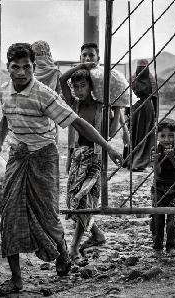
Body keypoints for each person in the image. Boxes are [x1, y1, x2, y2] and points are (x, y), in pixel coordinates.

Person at [0, 43, 122, 295]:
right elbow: (6, 116)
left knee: (48, 215)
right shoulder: (4, 91)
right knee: (10, 215)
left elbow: (78, 122)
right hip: (18, 158)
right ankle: (16, 280)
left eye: (26, 67)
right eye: (15, 67)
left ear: (34, 67)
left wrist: (108, 147)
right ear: (8, 68)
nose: (21, 72)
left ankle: (63, 252)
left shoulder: (44, 94)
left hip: (44, 158)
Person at [59, 68, 107, 264]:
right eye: (76, 87)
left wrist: (118, 110)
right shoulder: (74, 105)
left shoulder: (101, 107)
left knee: (83, 202)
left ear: (91, 86)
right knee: (77, 202)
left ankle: (73, 248)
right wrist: (83, 65)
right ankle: (97, 234)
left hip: (95, 160)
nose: (79, 90)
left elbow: (109, 133)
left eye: (83, 86)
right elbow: (63, 79)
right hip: (78, 159)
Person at [150, 119, 175, 257]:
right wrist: (156, 161)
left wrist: (171, 158)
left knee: (173, 218)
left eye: (171, 135)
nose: (167, 139)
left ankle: (172, 246)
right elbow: (157, 172)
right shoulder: (155, 149)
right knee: (157, 219)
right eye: (162, 136)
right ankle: (157, 247)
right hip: (158, 188)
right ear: (157, 137)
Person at [127, 59, 157, 171]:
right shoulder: (132, 79)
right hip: (135, 109)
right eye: (140, 68)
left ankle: (143, 161)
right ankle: (134, 160)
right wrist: (127, 114)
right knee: (134, 133)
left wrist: (155, 115)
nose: (142, 70)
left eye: (144, 68)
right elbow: (127, 97)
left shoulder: (151, 80)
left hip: (148, 110)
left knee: (147, 135)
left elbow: (155, 98)